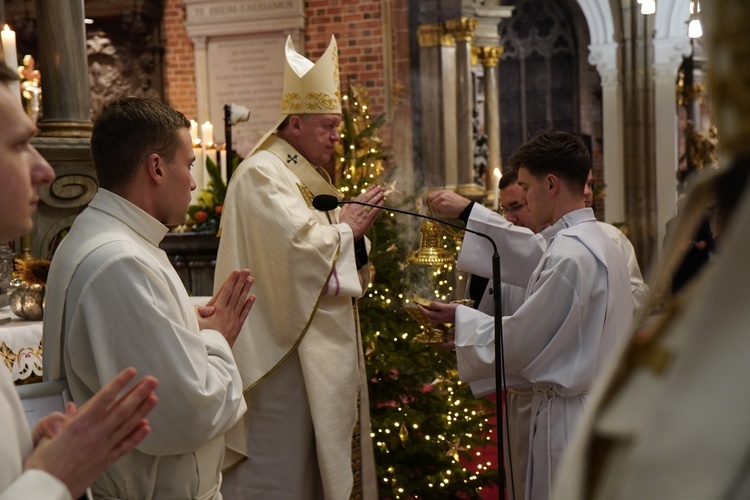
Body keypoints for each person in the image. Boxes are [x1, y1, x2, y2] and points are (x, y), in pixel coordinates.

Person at [43, 97, 255, 499]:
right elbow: (187, 413)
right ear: (156, 168)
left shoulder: (107, 238)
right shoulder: (120, 261)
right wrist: (216, 338)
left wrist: (185, 327)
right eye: (189, 164)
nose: (194, 182)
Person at [421, 130, 633, 500]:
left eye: (525, 187)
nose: (525, 201)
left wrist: (463, 320)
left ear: (550, 184)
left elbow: (523, 343)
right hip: (599, 407)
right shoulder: (601, 241)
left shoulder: (569, 254)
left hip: (567, 420)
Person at [214, 35, 382, 499]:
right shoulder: (263, 174)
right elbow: (297, 255)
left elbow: (326, 254)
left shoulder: (302, 176)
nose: (337, 137)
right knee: (283, 474)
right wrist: (348, 229)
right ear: (296, 122)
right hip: (282, 356)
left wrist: (355, 237)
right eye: (328, 126)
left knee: (310, 474)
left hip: (309, 348)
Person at [0, 63, 159, 499]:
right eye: (19, 145)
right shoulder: (116, 256)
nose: (45, 171)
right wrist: (53, 478)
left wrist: (24, 455)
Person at [428, 169, 551, 500]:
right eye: (504, 210)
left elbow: (528, 331)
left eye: (518, 207)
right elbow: (494, 319)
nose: (510, 219)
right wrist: (461, 330)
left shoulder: (557, 248)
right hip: (516, 396)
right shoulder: (514, 252)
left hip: (549, 403)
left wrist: (469, 212)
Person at [584, 170, 649, 316]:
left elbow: (638, 293)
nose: (587, 192)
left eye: (590, 184)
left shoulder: (612, 237)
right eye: (580, 184)